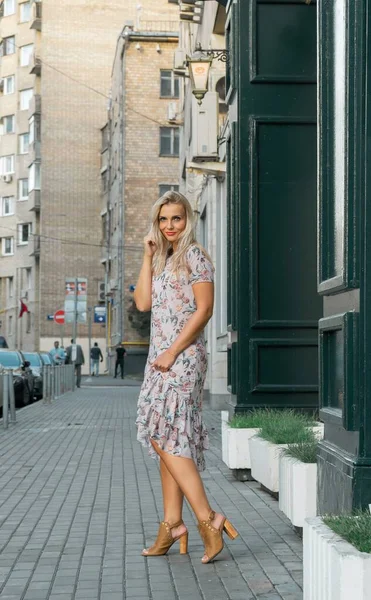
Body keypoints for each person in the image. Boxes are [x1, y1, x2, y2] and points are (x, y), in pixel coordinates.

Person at [134, 191, 238, 564]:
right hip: (159, 359)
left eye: (176, 219)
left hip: (183, 357)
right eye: (163, 220)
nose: (169, 226)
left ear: (188, 219)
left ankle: (208, 520)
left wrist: (173, 350)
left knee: (168, 437)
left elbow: (205, 309)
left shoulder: (195, 256)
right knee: (164, 435)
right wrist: (147, 255)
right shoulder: (161, 257)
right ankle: (172, 524)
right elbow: (143, 304)